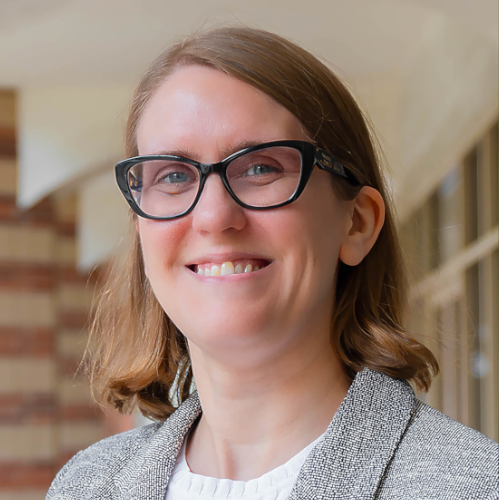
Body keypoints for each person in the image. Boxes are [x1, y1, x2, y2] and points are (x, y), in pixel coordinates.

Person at [46, 26, 498, 500]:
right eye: (173, 175)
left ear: (357, 223)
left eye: (261, 167)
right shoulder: (86, 486)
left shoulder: (474, 486)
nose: (214, 217)